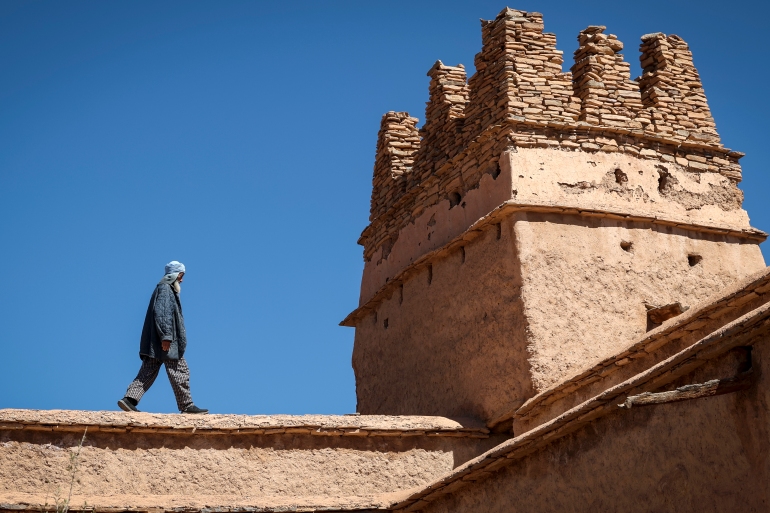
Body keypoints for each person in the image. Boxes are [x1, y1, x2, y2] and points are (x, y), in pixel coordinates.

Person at [118, 261, 208, 414]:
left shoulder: (164, 288)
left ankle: (129, 400)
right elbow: (163, 313)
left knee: (148, 370)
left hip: (156, 342)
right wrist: (166, 337)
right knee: (180, 369)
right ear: (175, 275)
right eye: (181, 275)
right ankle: (186, 406)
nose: (182, 279)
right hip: (166, 342)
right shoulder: (166, 289)